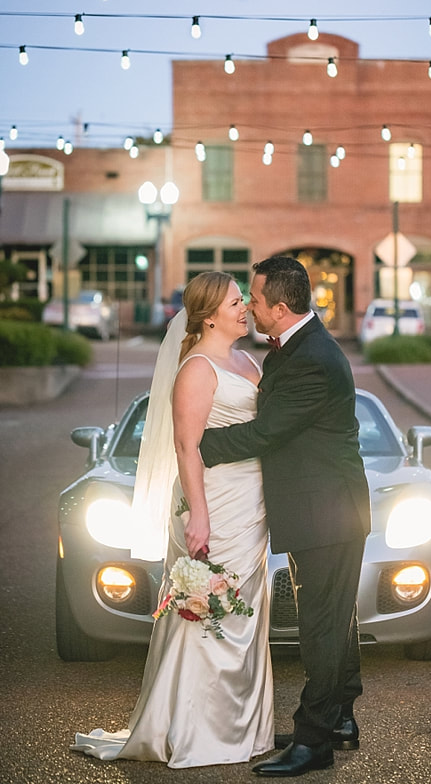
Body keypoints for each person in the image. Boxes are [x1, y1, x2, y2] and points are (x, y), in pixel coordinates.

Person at [72, 271, 274, 767]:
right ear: (208, 316)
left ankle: (243, 728)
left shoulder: (247, 360)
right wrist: (199, 517)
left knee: (245, 609)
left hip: (252, 503)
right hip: (215, 502)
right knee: (207, 612)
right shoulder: (196, 369)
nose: (244, 307)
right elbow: (187, 448)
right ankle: (194, 727)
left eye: (243, 299)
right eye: (234, 302)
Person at [197, 256, 371, 778]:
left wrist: (192, 445)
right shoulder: (297, 348)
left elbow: (264, 433)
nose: (248, 306)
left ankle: (313, 742)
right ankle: (340, 718)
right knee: (336, 621)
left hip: (327, 513)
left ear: (279, 306)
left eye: (253, 299)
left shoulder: (311, 359)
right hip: (323, 509)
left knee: (321, 626)